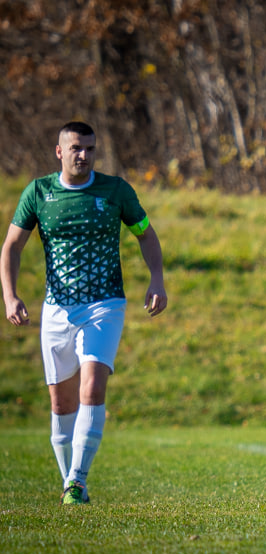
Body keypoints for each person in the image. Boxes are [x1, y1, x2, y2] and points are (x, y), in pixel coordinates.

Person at [1, 121, 167, 505]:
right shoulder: (39, 192)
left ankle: (77, 477)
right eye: (76, 148)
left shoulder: (116, 191)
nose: (84, 155)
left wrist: (156, 278)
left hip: (104, 305)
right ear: (59, 151)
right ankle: (70, 484)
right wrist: (10, 297)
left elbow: (145, 232)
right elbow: (11, 246)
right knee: (61, 403)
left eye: (90, 149)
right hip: (57, 309)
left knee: (92, 385)